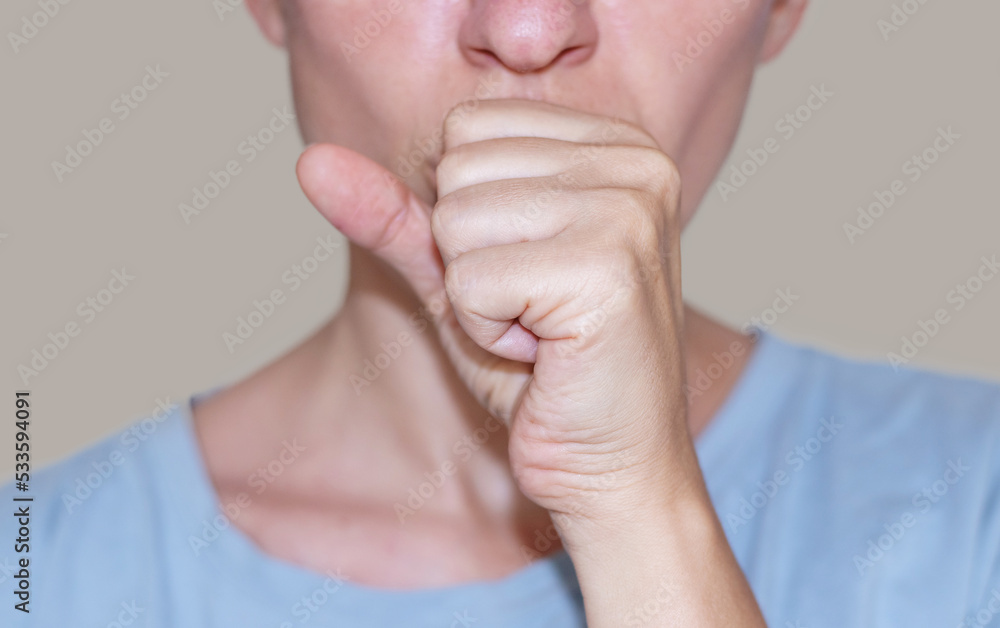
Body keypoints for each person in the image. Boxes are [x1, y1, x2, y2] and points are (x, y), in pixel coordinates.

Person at [4, 0, 999, 626]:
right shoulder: (33, 576)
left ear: (779, 9)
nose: (527, 31)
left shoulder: (975, 513)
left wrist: (636, 513)